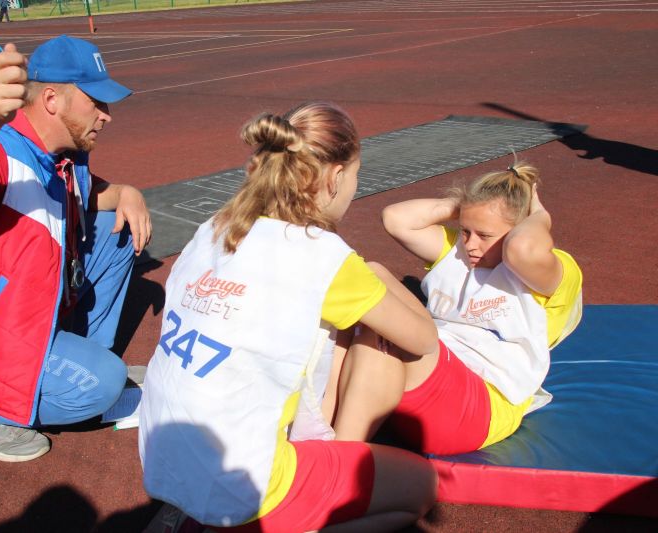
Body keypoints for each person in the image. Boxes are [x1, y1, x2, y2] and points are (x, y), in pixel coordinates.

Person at [139, 102, 438, 532]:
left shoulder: (216, 227)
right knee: (421, 488)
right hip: (249, 484)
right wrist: (378, 274)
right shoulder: (324, 258)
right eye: (356, 175)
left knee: (327, 334)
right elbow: (423, 339)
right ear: (335, 177)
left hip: (164, 458)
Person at [0, 35, 152, 462]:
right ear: (52, 100)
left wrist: (125, 192)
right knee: (106, 386)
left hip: (27, 315)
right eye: (96, 102)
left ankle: (82, 360)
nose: (106, 115)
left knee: (118, 230)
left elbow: (85, 193)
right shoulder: (1, 155)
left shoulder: (65, 153)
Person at [332, 162, 582, 455]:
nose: (471, 245)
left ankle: (338, 455)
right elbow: (395, 219)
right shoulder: (456, 253)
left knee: (375, 283)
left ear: (518, 229)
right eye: (465, 231)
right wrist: (467, 206)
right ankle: (330, 447)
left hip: (479, 407)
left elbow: (522, 249)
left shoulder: (552, 274)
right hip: (418, 392)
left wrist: (539, 215)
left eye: (485, 236)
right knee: (371, 320)